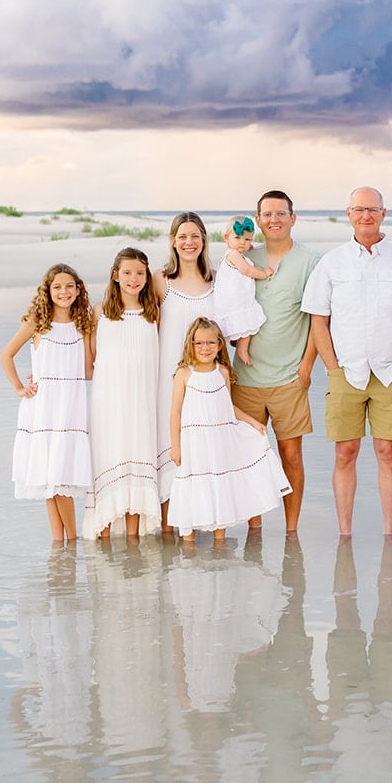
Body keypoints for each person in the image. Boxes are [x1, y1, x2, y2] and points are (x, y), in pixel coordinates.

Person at [301, 186, 392, 537]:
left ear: (384, 213)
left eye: (372, 209)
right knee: (346, 453)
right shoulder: (332, 263)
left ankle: (388, 533)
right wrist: (332, 370)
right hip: (345, 373)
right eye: (359, 209)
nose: (366, 215)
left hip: (389, 372)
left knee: (387, 452)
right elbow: (318, 321)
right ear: (348, 213)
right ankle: (345, 533)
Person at [230, 190, 320, 535]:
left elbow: (318, 320)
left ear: (293, 218)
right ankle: (255, 529)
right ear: (258, 220)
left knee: (291, 456)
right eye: (266, 214)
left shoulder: (311, 262)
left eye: (280, 213)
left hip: (289, 378)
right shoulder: (244, 259)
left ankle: (291, 531)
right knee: (249, 458)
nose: (273, 220)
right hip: (246, 378)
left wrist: (306, 367)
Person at [166, 318, 290, 542]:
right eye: (199, 343)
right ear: (191, 344)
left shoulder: (222, 372)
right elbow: (175, 413)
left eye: (211, 343)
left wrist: (253, 422)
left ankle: (220, 546)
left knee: (219, 485)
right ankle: (188, 545)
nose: (205, 348)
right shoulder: (184, 374)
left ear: (220, 345)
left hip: (219, 442)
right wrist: (176, 446)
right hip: (194, 444)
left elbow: (228, 406)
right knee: (193, 485)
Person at [1, 263, 96, 541]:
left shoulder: (84, 325)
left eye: (69, 286)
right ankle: (70, 542)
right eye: (57, 287)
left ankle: (61, 551)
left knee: (59, 479)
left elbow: (88, 370)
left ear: (78, 290)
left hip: (72, 408)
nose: (64, 292)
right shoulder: (37, 322)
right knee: (52, 481)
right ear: (48, 291)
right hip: (43, 408)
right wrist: (20, 387)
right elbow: (6, 355)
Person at [86, 247, 163, 539]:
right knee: (109, 457)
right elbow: (89, 361)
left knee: (138, 456)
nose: (134, 279)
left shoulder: (154, 311)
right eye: (127, 273)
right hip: (109, 401)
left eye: (140, 273)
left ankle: (134, 541)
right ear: (115, 276)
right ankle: (103, 535)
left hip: (143, 400)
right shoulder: (100, 312)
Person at [154, 211, 216, 526]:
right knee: (169, 451)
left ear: (203, 240)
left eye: (194, 236)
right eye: (182, 237)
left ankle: (201, 526)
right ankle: (167, 532)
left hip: (206, 385)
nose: (189, 242)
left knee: (202, 453)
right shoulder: (160, 280)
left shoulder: (217, 280)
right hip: (168, 380)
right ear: (173, 242)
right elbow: (120, 311)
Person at [212, 216, 273, 367]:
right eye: (237, 237)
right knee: (248, 322)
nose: (242, 242)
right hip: (235, 300)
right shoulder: (233, 255)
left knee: (243, 322)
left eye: (247, 240)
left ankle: (237, 341)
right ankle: (242, 349)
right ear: (226, 238)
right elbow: (246, 270)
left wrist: (248, 247)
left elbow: (245, 251)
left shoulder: (236, 253)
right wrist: (263, 274)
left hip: (231, 298)